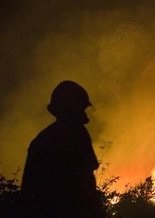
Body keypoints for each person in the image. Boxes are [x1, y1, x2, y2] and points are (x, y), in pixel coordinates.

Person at [21, 80, 100, 218]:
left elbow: (28, 191)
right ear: (74, 109)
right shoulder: (78, 134)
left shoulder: (41, 140)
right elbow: (90, 168)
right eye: (81, 108)